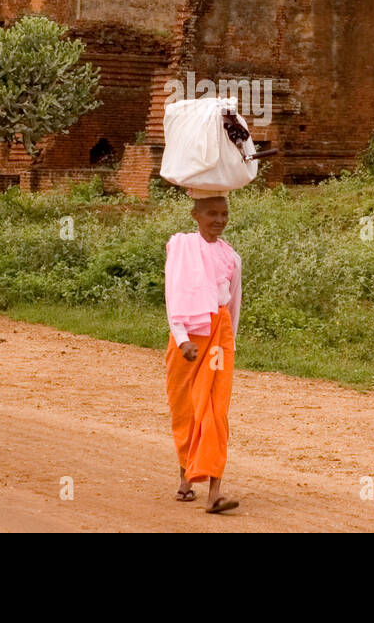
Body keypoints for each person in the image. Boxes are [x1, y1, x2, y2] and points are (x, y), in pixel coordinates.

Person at [164, 192, 241, 514]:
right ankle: (186, 479)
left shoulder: (231, 257)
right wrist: (182, 338)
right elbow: (174, 292)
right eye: (212, 213)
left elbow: (233, 305)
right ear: (195, 215)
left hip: (218, 339)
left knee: (214, 410)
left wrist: (229, 344)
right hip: (187, 337)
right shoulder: (181, 247)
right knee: (186, 409)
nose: (219, 220)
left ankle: (215, 492)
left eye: (224, 213)